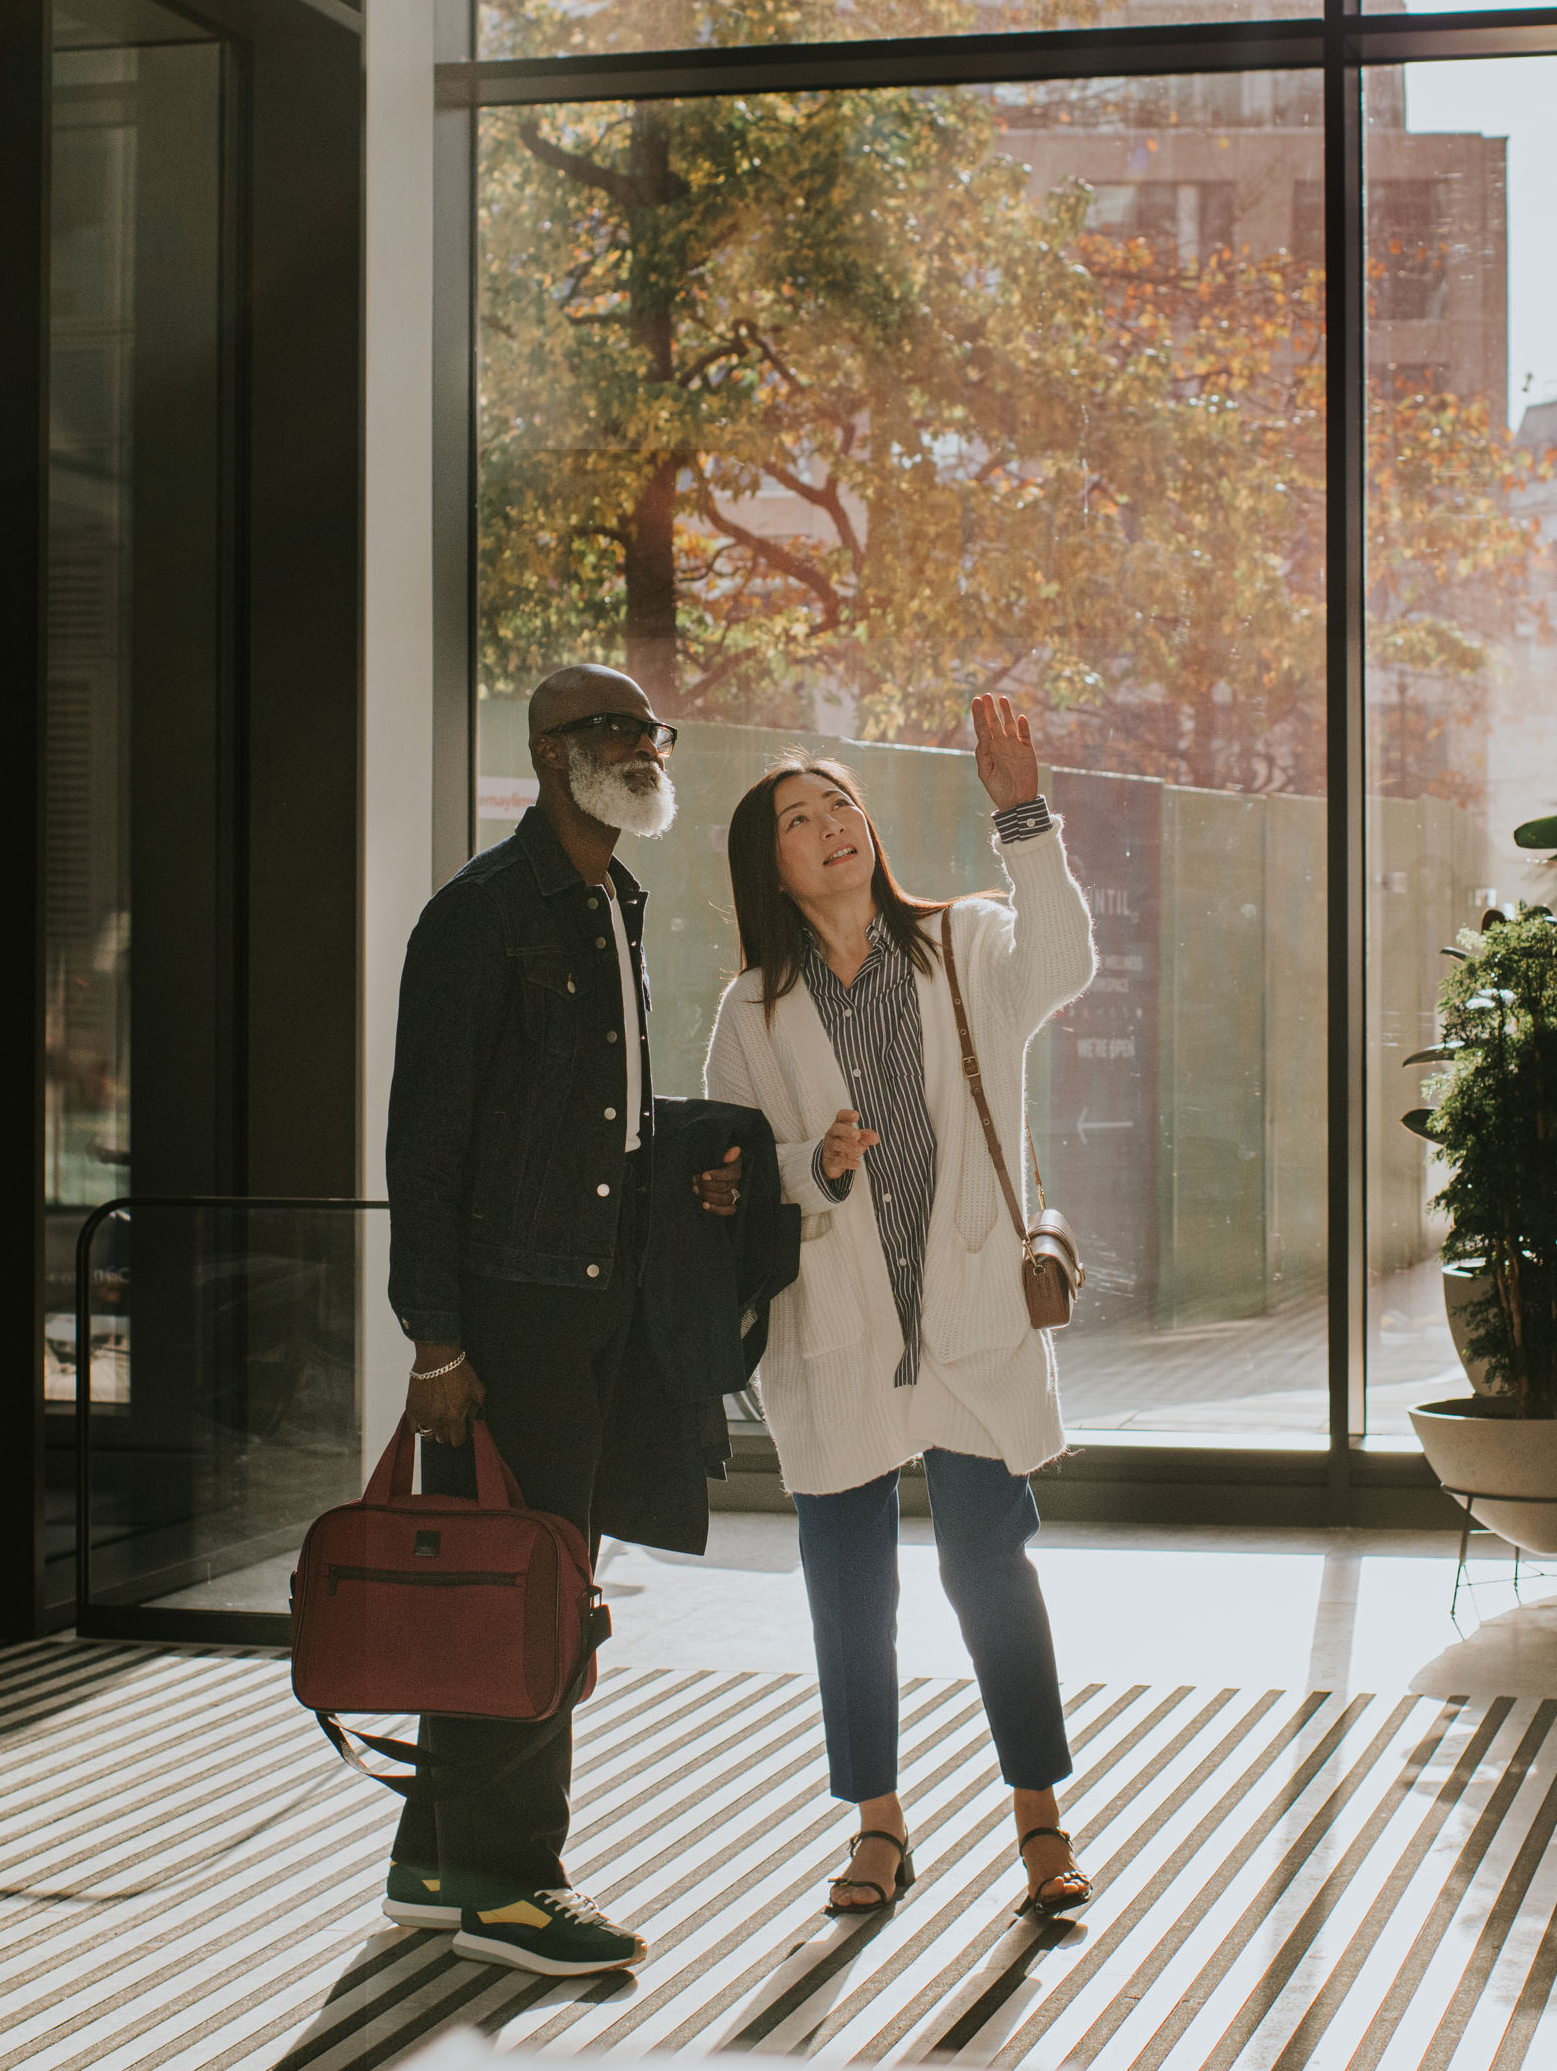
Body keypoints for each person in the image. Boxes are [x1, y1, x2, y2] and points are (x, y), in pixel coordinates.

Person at [703, 696, 1101, 1921]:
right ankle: (878, 1824)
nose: (832, 826)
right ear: (766, 863)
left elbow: (1067, 959)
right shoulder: (751, 1014)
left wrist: (1020, 815)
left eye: (843, 806)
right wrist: (811, 1167)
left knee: (991, 1569)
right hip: (838, 1334)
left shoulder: (968, 943)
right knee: (848, 1586)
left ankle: (1039, 1815)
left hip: (970, 1309)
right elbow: (730, 1174)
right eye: (799, 817)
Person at [382, 664, 741, 1977]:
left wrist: (680, 1173)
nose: (645, 748)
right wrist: (435, 1335)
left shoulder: (611, 898)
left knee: (515, 1581)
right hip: (510, 1312)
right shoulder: (483, 913)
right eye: (614, 730)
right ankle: (511, 1882)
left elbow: (592, 1115)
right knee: (530, 1591)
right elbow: (427, 1141)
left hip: (595, 1298)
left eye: (652, 730)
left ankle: (435, 1856)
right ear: (546, 752)